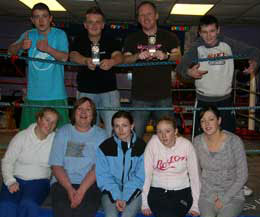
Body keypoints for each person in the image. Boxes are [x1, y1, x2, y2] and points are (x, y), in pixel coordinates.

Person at [176, 14, 260, 136]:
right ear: (199, 32)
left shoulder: (228, 44)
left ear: (218, 30)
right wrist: (189, 72)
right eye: (204, 32)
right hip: (203, 101)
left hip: (225, 101)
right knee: (200, 141)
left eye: (212, 31)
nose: (209, 36)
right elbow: (180, 68)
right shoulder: (196, 48)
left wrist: (255, 63)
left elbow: (255, 52)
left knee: (229, 140)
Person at [123, 1, 182, 138]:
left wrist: (166, 56)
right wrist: (137, 56)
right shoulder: (132, 39)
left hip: (163, 97)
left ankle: (168, 160)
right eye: (142, 15)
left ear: (156, 16)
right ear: (138, 19)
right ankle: (134, 160)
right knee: (133, 137)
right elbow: (124, 60)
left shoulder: (169, 36)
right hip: (139, 98)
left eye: (149, 14)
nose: (146, 17)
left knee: (168, 137)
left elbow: (178, 56)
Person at [8, 3, 69, 130]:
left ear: (50, 18)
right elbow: (10, 51)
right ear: (32, 20)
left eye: (44, 16)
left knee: (59, 135)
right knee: (28, 134)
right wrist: (20, 46)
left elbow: (64, 57)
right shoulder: (28, 34)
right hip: (33, 96)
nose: (41, 20)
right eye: (36, 17)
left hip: (56, 96)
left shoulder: (59, 35)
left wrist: (48, 49)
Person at [48, 97, 107, 217]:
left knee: (84, 211)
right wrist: (70, 189)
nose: (84, 112)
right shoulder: (63, 132)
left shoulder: (101, 135)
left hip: (90, 184)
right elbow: (56, 165)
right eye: (80, 109)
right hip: (63, 183)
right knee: (63, 210)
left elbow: (98, 167)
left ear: (93, 114)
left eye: (88, 109)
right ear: (74, 112)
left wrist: (80, 191)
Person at [70, 6, 123, 136]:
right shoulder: (79, 39)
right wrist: (85, 61)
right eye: (90, 22)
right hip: (86, 92)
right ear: (85, 25)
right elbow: (72, 55)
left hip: (109, 92)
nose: (94, 25)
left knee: (114, 129)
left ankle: (113, 155)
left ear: (103, 24)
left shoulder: (111, 39)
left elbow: (119, 56)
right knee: (84, 129)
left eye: (97, 22)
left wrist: (112, 62)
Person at [0, 108, 59, 217]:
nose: (49, 125)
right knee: (7, 204)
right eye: (47, 120)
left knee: (28, 204)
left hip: (39, 181)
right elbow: (7, 161)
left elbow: (60, 164)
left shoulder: (56, 140)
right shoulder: (22, 136)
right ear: (39, 119)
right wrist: (10, 181)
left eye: (53, 122)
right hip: (15, 178)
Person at [193, 105, 248, 217]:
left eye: (211, 119)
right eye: (203, 121)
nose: (207, 124)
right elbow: (195, 174)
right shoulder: (197, 142)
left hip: (233, 196)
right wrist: (211, 196)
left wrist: (224, 199)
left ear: (219, 120)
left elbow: (243, 175)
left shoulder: (234, 141)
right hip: (207, 196)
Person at [142, 116, 200, 217]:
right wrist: (144, 203)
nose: (163, 135)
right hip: (157, 191)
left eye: (167, 131)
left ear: (175, 131)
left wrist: (195, 204)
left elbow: (195, 176)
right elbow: (146, 175)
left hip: (182, 191)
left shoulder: (186, 145)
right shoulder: (152, 144)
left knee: (173, 214)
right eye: (159, 132)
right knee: (164, 214)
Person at [96, 111, 146, 217]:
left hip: (134, 191)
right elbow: (103, 176)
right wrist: (117, 196)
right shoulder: (105, 147)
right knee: (111, 215)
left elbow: (141, 177)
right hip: (110, 191)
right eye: (117, 126)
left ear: (132, 126)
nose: (121, 130)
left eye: (124, 125)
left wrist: (125, 196)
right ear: (113, 128)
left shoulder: (142, 147)